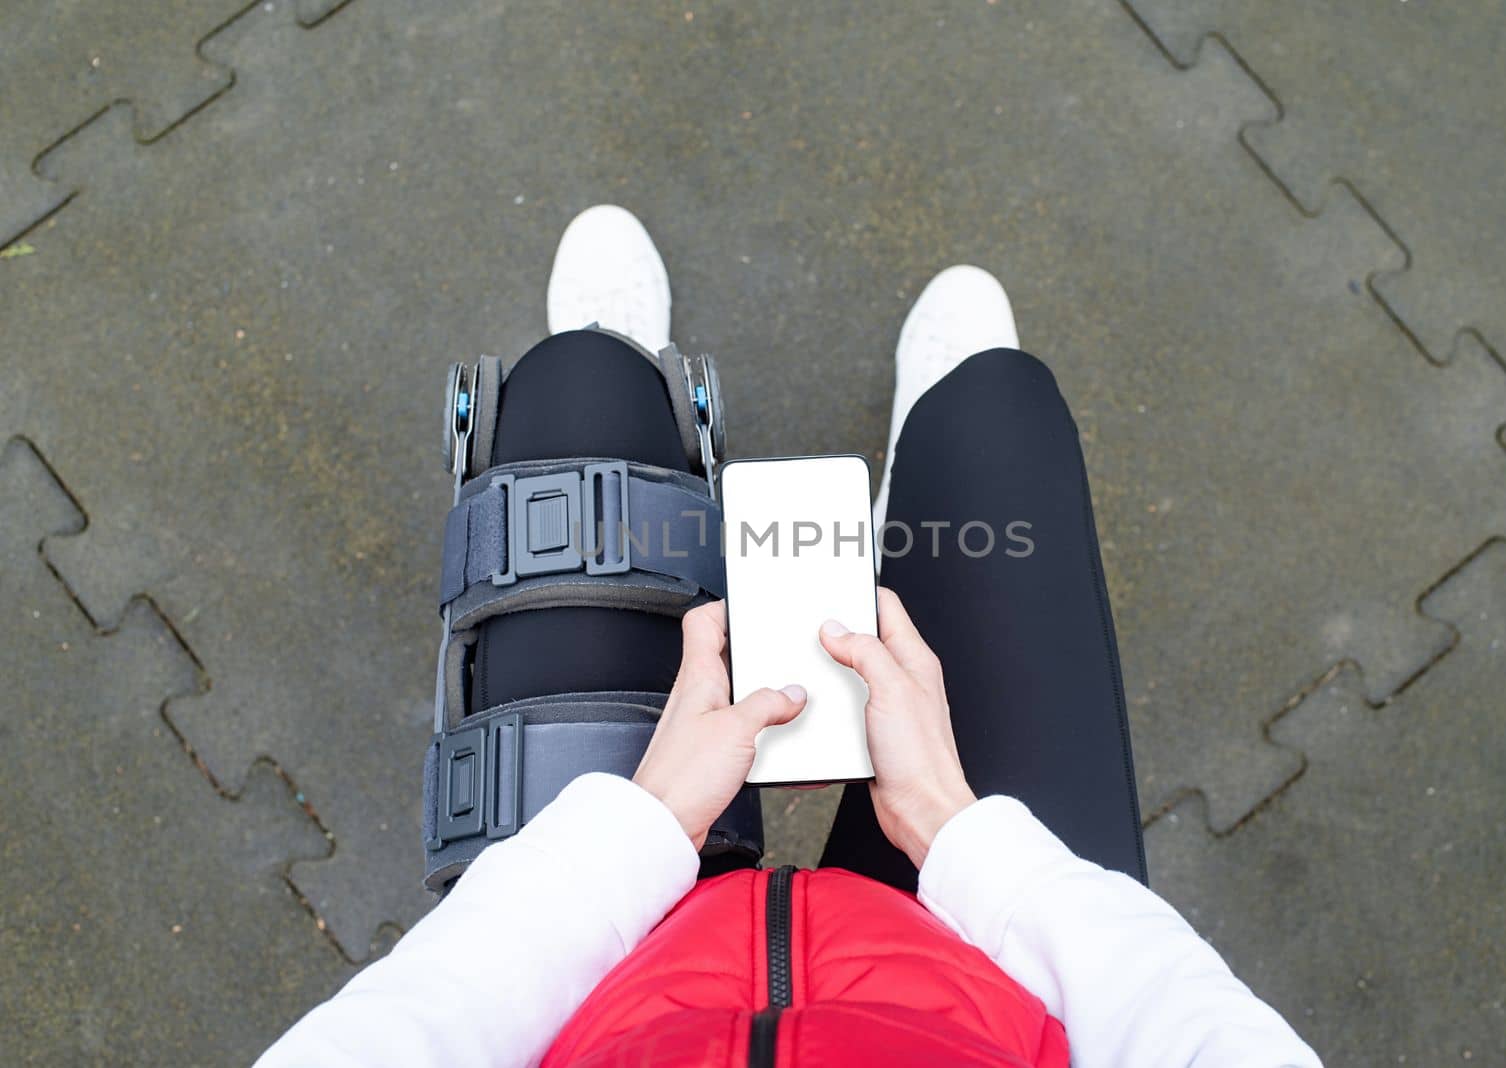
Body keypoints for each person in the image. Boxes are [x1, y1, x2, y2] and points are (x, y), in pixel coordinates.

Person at [258, 206, 1320, 1067]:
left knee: (580, 384)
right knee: (998, 410)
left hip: (612, 980)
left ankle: (635, 373)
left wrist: (637, 830)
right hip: (975, 978)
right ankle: (917, 484)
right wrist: (958, 832)